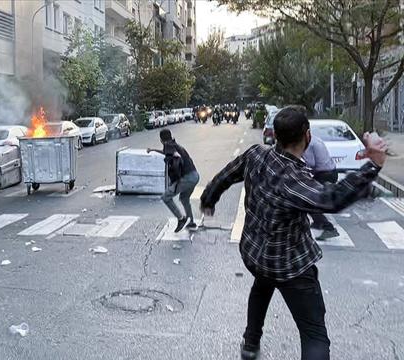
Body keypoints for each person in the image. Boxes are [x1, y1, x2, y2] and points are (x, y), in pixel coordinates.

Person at [200, 106, 387, 360]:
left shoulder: (256, 154)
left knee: (262, 284)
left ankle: (250, 344)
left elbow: (227, 174)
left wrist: (209, 198)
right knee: (314, 334)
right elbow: (331, 199)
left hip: (255, 255)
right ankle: (251, 342)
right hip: (292, 268)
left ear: (275, 136)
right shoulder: (294, 179)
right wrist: (373, 165)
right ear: (307, 137)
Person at [148, 129, 200, 233]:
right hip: (195, 176)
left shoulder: (169, 146)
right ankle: (191, 222)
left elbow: (175, 158)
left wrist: (174, 181)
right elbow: (168, 153)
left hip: (187, 178)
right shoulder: (175, 145)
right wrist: (154, 150)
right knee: (184, 199)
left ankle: (181, 219)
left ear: (161, 140)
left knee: (166, 197)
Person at [303, 134, 339, 240]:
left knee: (309, 200)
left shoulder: (308, 143)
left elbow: (310, 162)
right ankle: (318, 222)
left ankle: (328, 228)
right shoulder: (315, 139)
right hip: (329, 171)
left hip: (325, 174)